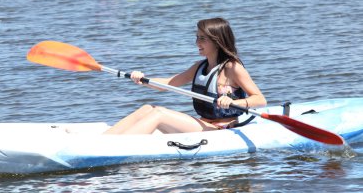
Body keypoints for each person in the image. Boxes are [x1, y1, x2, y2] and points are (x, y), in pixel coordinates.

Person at [103, 17, 267, 135]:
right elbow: (168, 83)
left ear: (217, 42)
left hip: (220, 129)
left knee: (159, 113)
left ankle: (116, 147)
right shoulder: (199, 66)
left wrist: (233, 102)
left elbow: (260, 99)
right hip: (202, 122)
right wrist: (141, 79)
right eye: (197, 37)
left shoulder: (232, 67)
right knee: (148, 108)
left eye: (202, 39)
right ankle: (105, 140)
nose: (197, 42)